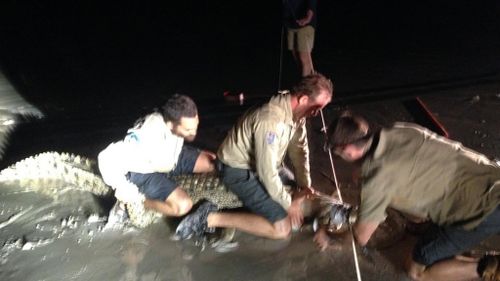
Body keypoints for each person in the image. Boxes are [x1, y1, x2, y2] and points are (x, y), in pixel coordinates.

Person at [325, 112, 500, 281]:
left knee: (415, 270)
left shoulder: (376, 178)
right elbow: (415, 206)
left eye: (337, 153)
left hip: (483, 210)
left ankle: (492, 267)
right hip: (492, 176)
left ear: (347, 149)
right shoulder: (399, 129)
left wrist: (330, 237)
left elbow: (361, 237)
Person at [175, 73, 334, 240]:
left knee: (296, 196)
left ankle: (260, 208)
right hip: (238, 169)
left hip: (268, 165)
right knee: (282, 228)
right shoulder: (270, 120)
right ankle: (208, 218)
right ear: (303, 99)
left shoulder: (298, 113)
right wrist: (290, 204)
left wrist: (304, 185)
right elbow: (267, 172)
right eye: (317, 107)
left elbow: (300, 150)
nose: (317, 113)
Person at [98, 94, 216, 222]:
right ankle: (132, 203)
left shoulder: (175, 122)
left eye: (196, 125)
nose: (194, 132)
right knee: (182, 206)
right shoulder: (145, 137)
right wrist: (126, 190)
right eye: (188, 129)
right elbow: (105, 158)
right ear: (171, 124)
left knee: (213, 162)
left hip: (170, 156)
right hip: (145, 171)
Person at [283, 0, 317, 77]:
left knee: (304, 58)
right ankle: (313, 84)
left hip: (304, 24)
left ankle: (306, 87)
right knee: (297, 58)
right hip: (291, 23)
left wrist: (308, 17)